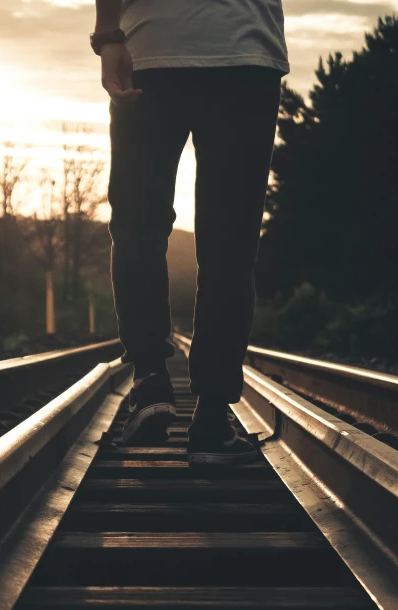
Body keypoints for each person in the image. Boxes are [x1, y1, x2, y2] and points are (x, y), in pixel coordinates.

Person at [92, 0, 289, 464]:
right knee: (230, 240)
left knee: (139, 223)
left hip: (153, 47)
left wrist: (109, 36)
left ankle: (150, 384)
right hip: (244, 53)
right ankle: (213, 414)